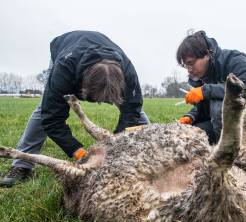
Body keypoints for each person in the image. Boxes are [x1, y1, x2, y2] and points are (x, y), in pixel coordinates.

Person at [0, 30, 149, 187]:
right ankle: (21, 166)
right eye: (97, 99)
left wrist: (117, 144)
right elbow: (52, 119)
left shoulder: (128, 72)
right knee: (42, 110)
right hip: (66, 52)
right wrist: (80, 153)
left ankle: (151, 153)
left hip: (105, 64)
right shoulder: (64, 71)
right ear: (82, 87)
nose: (99, 103)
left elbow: (132, 110)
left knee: (136, 114)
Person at [177, 30, 246, 145]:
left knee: (220, 105)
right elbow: (206, 108)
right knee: (191, 135)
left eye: (191, 63)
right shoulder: (202, 76)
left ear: (207, 54)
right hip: (219, 125)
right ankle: (220, 148)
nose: (189, 69)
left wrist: (206, 90)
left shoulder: (235, 60)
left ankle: (230, 154)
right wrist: (191, 116)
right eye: (185, 65)